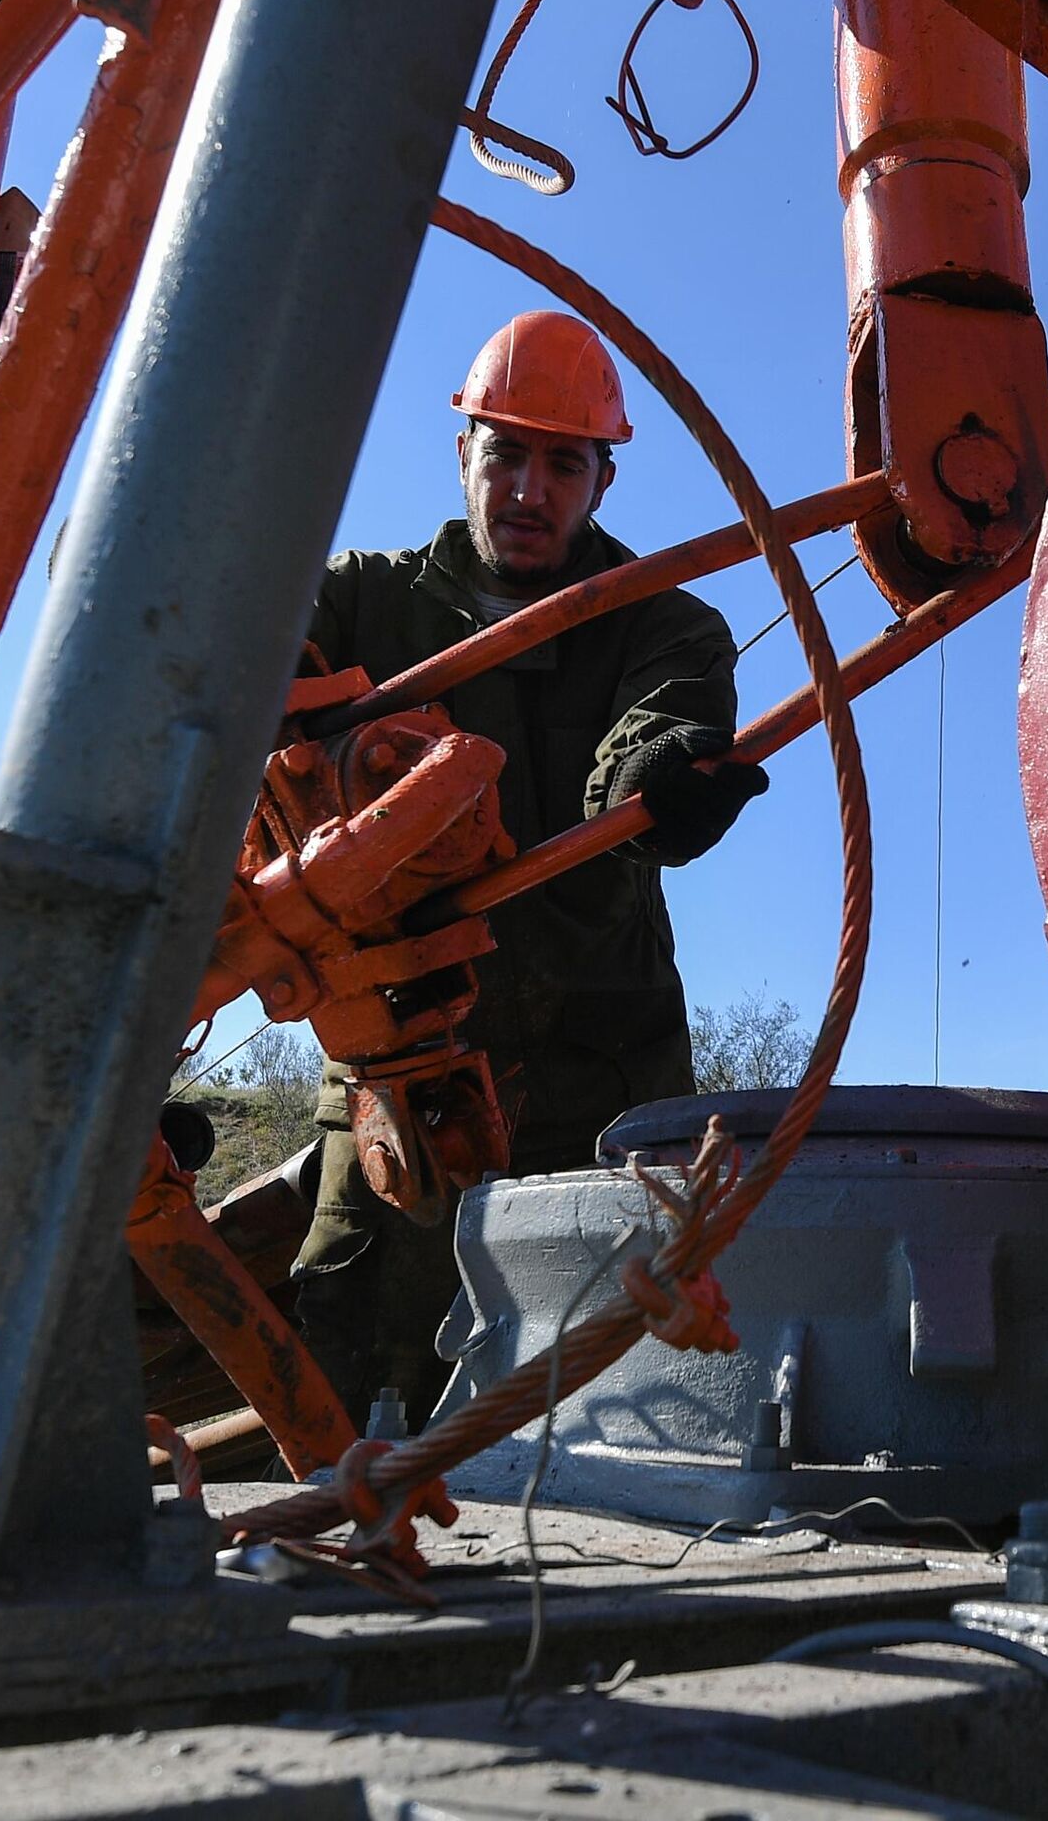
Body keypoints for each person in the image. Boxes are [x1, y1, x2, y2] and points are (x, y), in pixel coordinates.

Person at [291, 311, 768, 1427]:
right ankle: (348, 1540)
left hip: (599, 1066)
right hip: (396, 1056)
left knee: (629, 1370)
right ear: (462, 453)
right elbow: (247, 659)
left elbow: (663, 724)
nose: (528, 487)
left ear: (603, 481)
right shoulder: (360, 599)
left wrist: (658, 778)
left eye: (563, 462)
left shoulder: (668, 620)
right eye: (505, 451)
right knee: (353, 1338)